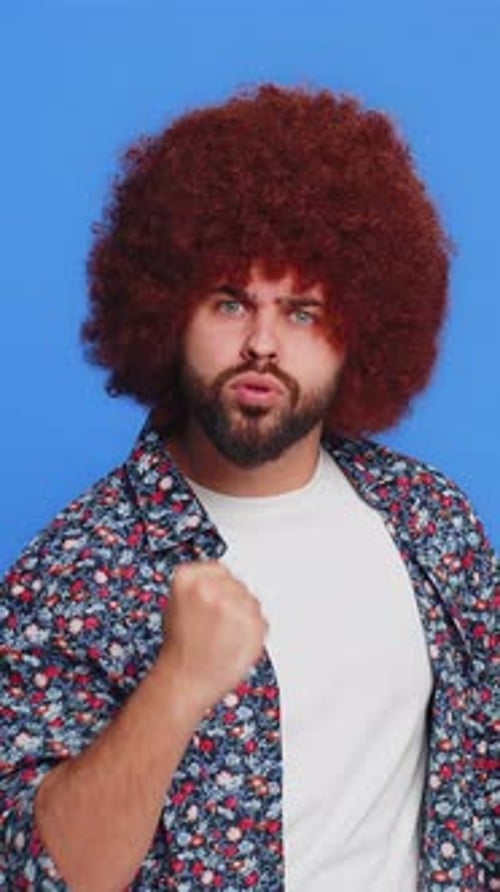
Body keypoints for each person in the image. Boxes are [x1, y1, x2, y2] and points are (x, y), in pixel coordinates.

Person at [0, 84, 497, 892]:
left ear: (361, 330)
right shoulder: (73, 573)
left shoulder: (431, 525)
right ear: (165, 310)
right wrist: (178, 683)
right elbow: (45, 876)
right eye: (231, 302)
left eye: (302, 312)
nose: (263, 344)